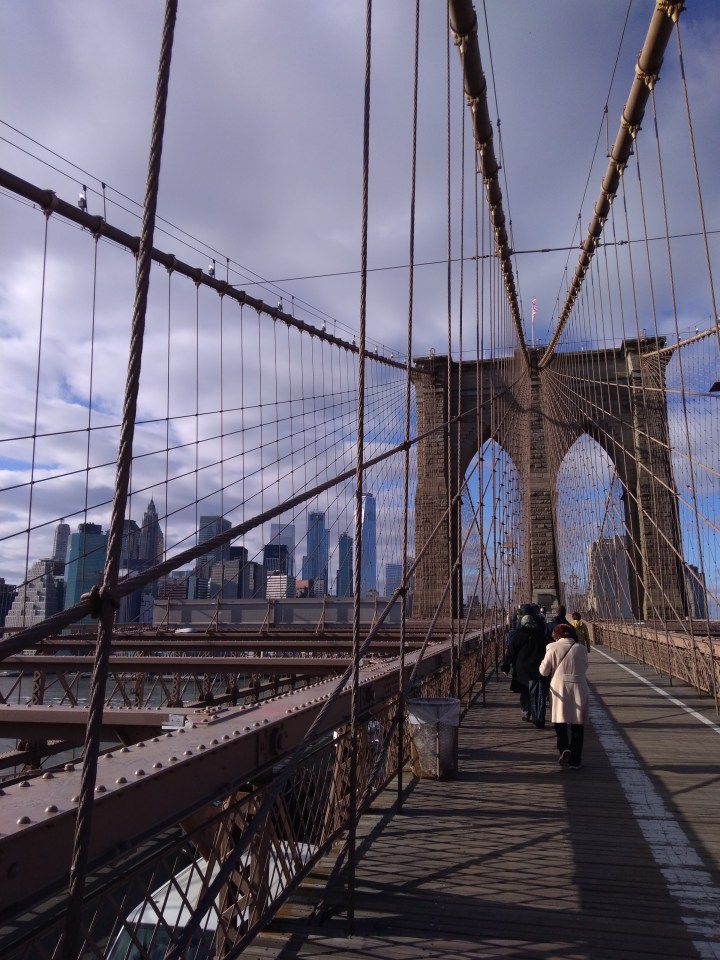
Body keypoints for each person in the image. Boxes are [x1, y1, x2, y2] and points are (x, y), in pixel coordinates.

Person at [539, 623, 589, 769]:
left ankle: (564, 747)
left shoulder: (552, 648)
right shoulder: (582, 649)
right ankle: (575, 760)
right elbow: (585, 666)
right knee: (577, 724)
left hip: (559, 687)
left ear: (556, 635)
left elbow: (544, 671)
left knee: (559, 721)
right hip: (579, 686)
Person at [501, 611, 548, 726]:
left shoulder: (518, 636)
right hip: (537, 668)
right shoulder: (541, 636)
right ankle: (538, 716)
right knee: (537, 692)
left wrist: (506, 667)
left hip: (522, 668)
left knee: (524, 690)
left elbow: (511, 653)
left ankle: (526, 713)